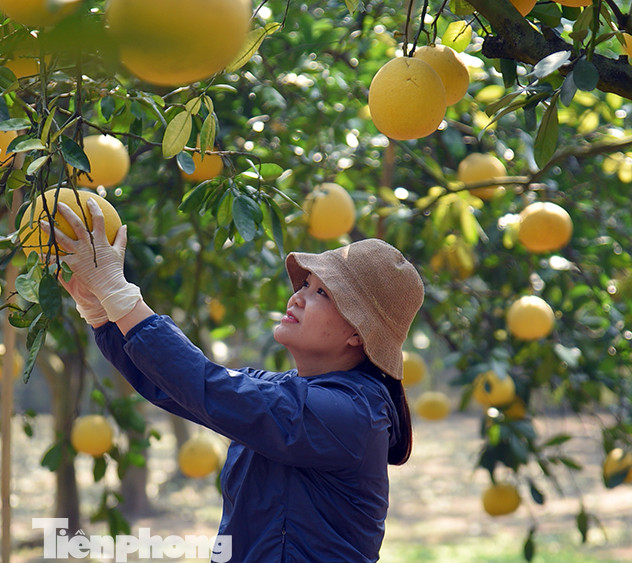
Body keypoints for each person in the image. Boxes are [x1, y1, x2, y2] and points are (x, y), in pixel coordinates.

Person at [41, 197, 424, 562]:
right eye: (304, 285)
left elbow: (209, 386)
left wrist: (120, 295)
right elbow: (178, 386)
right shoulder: (287, 391)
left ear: (358, 333)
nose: (297, 298)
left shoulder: (350, 415)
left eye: (322, 292)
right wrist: (101, 312)